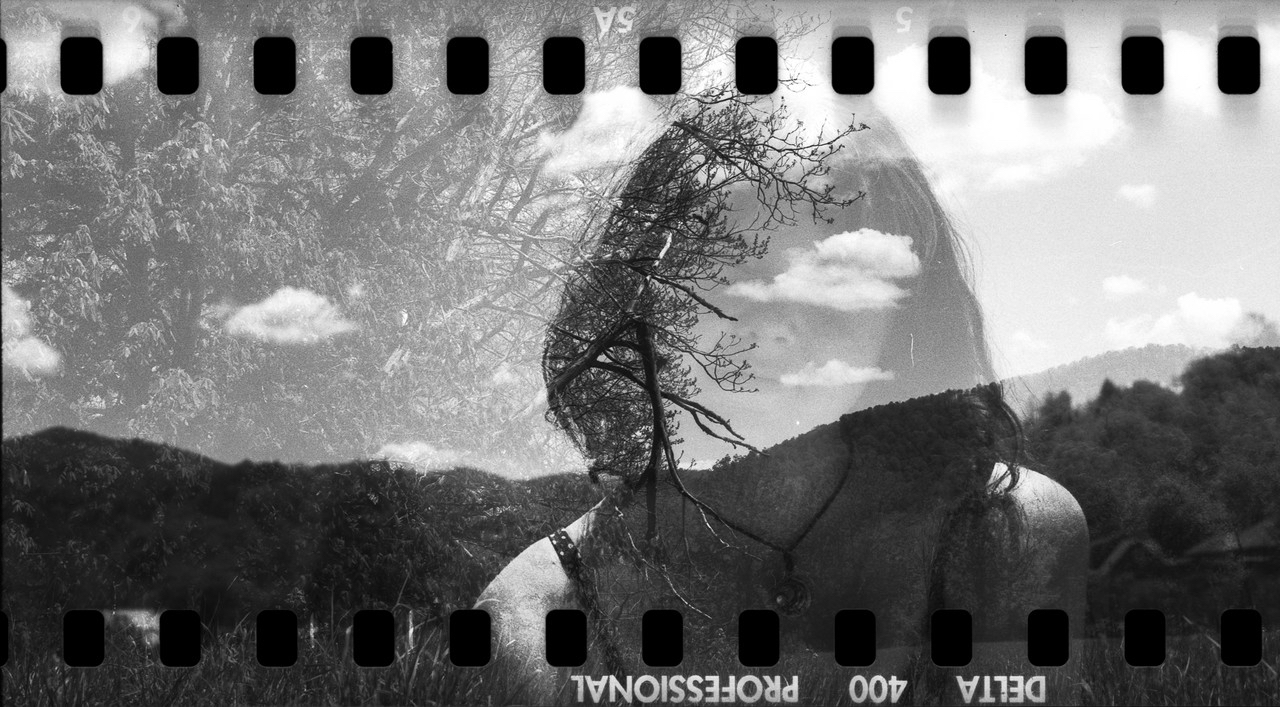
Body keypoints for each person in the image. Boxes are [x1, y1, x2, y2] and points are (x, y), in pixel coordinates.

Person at [476, 89, 1088, 706]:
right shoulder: (538, 615)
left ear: (909, 309)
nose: (779, 324)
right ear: (645, 297)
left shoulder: (1008, 533)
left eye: (835, 271)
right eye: (727, 268)